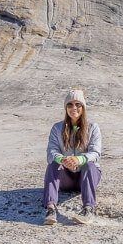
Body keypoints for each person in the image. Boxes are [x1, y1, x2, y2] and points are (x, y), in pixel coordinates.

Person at [42, 88, 102, 225]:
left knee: (89, 164)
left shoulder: (93, 127)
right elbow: (51, 151)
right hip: (66, 177)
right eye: (69, 104)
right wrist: (62, 159)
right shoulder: (57, 128)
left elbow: (96, 153)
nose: (73, 108)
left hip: (86, 177)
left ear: (83, 107)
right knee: (53, 165)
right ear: (65, 108)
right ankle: (51, 209)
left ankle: (88, 209)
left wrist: (79, 159)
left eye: (78, 104)